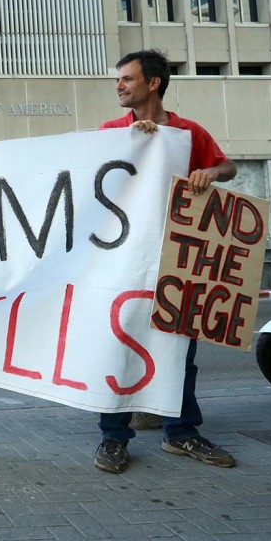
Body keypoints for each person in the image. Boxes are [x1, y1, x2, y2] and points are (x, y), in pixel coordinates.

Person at [94, 49, 237, 474]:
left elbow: (227, 166)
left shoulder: (189, 132)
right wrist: (133, 144)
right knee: (118, 350)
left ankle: (182, 434)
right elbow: (94, 184)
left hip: (178, 261)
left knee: (180, 352)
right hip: (123, 262)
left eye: (126, 79)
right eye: (118, 79)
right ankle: (113, 438)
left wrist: (210, 173)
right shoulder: (111, 132)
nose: (118, 86)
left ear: (153, 83)